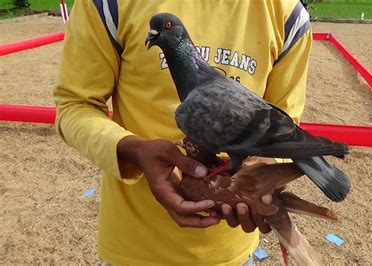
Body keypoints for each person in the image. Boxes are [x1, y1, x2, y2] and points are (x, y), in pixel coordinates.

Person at [53, 0, 312, 264]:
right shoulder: (107, 4)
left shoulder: (287, 14)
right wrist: (134, 150)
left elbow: (286, 119)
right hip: (136, 248)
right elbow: (75, 105)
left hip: (231, 252)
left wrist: (263, 175)